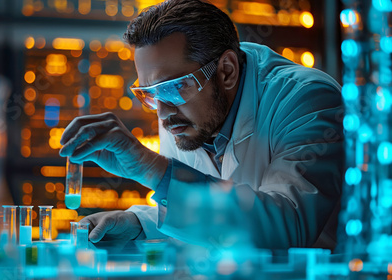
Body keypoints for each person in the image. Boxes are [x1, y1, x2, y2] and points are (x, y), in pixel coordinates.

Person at [59, 0, 343, 249]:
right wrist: (140, 222)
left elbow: (287, 228)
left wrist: (153, 169)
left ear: (227, 71)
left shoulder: (306, 98)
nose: (162, 113)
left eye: (172, 88)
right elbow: (219, 219)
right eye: (150, 94)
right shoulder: (178, 109)